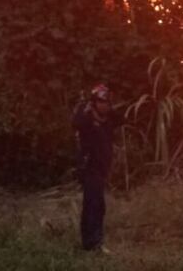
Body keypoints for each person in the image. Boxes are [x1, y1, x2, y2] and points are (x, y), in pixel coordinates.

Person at [72, 83, 124, 253]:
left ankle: (92, 242)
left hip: (102, 168)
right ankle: (92, 243)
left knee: (97, 205)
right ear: (94, 103)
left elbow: (122, 118)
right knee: (94, 204)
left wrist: (110, 102)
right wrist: (83, 106)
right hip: (89, 167)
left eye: (107, 102)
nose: (105, 105)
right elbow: (76, 123)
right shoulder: (87, 120)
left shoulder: (108, 120)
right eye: (101, 102)